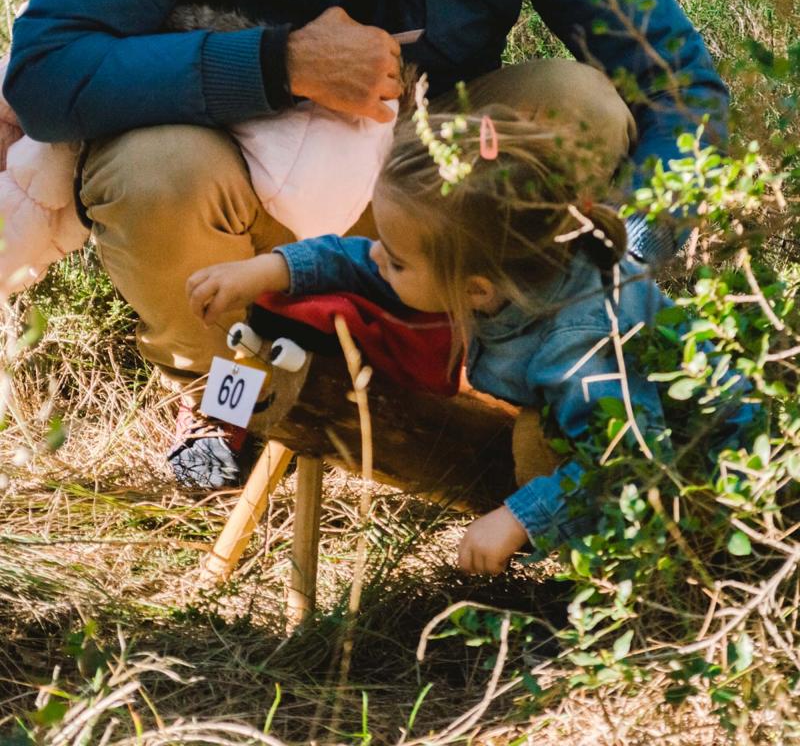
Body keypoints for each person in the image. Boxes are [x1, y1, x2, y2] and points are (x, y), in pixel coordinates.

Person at [4, 0, 729, 485]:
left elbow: (677, 91)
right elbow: (46, 69)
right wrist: (277, 64)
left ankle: (514, 352)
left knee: (580, 108)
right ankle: (225, 390)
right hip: (235, 203)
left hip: (417, 213)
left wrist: (625, 271)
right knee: (154, 173)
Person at [185, 104, 753, 574]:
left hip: (713, 476)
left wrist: (519, 519)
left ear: (477, 291)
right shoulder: (510, 266)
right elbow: (365, 261)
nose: (376, 254)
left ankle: (647, 582)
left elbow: (630, 461)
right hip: (637, 434)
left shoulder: (582, 340)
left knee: (538, 445)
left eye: (398, 257)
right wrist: (272, 269)